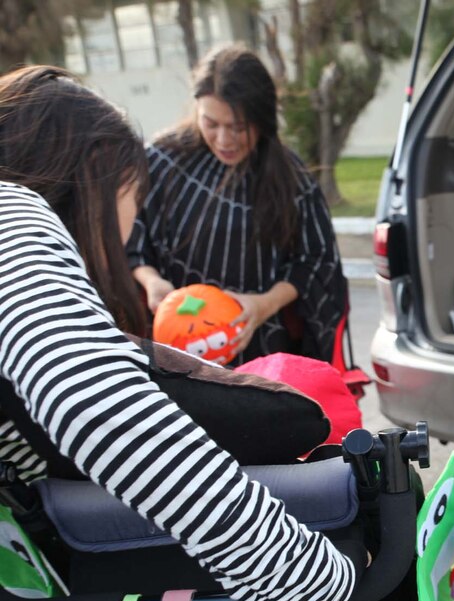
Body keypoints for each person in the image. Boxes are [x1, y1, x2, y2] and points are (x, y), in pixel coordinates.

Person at [0, 67, 359, 601]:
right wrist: (301, 575)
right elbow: (96, 405)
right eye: (132, 198)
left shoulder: (289, 180)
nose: (130, 228)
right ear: (95, 174)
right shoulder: (11, 214)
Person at [127, 45, 347, 364]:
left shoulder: (292, 178)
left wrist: (264, 305)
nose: (224, 140)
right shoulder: (161, 161)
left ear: (263, 118)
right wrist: (151, 281)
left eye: (238, 127)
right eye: (211, 123)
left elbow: (316, 261)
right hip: (174, 350)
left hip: (263, 352)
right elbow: (130, 232)